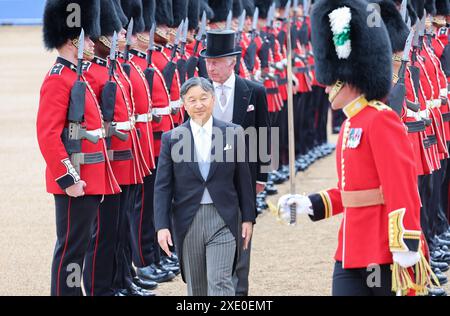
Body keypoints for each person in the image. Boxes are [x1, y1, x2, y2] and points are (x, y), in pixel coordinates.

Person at [278, 0, 433, 296]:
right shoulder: (351, 123)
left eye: (331, 81)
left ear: (350, 80)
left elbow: (401, 185)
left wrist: (406, 243)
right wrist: (310, 203)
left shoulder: (381, 120)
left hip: (384, 250)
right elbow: (351, 190)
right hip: (349, 250)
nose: (325, 87)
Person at [37, 0, 121, 296]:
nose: (93, 42)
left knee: (80, 246)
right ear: (74, 40)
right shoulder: (58, 80)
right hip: (76, 181)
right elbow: (47, 135)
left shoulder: (77, 76)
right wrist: (69, 179)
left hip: (91, 176)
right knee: (71, 250)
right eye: (88, 37)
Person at [155, 77, 256, 296]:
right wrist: (161, 226)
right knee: (197, 288)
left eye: (203, 98)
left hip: (224, 218)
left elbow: (243, 180)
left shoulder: (233, 132)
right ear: (183, 103)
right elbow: (163, 186)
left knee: (220, 282)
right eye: (192, 100)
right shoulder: (171, 138)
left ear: (212, 99)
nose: (198, 104)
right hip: (188, 220)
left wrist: (248, 217)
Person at [200, 28, 271, 296]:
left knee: (242, 236)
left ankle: (239, 293)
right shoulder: (199, 91)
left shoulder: (253, 91)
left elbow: (264, 134)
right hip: (207, 175)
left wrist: (262, 176)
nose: (211, 67)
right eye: (208, 61)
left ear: (232, 61)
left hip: (243, 175)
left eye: (216, 62)